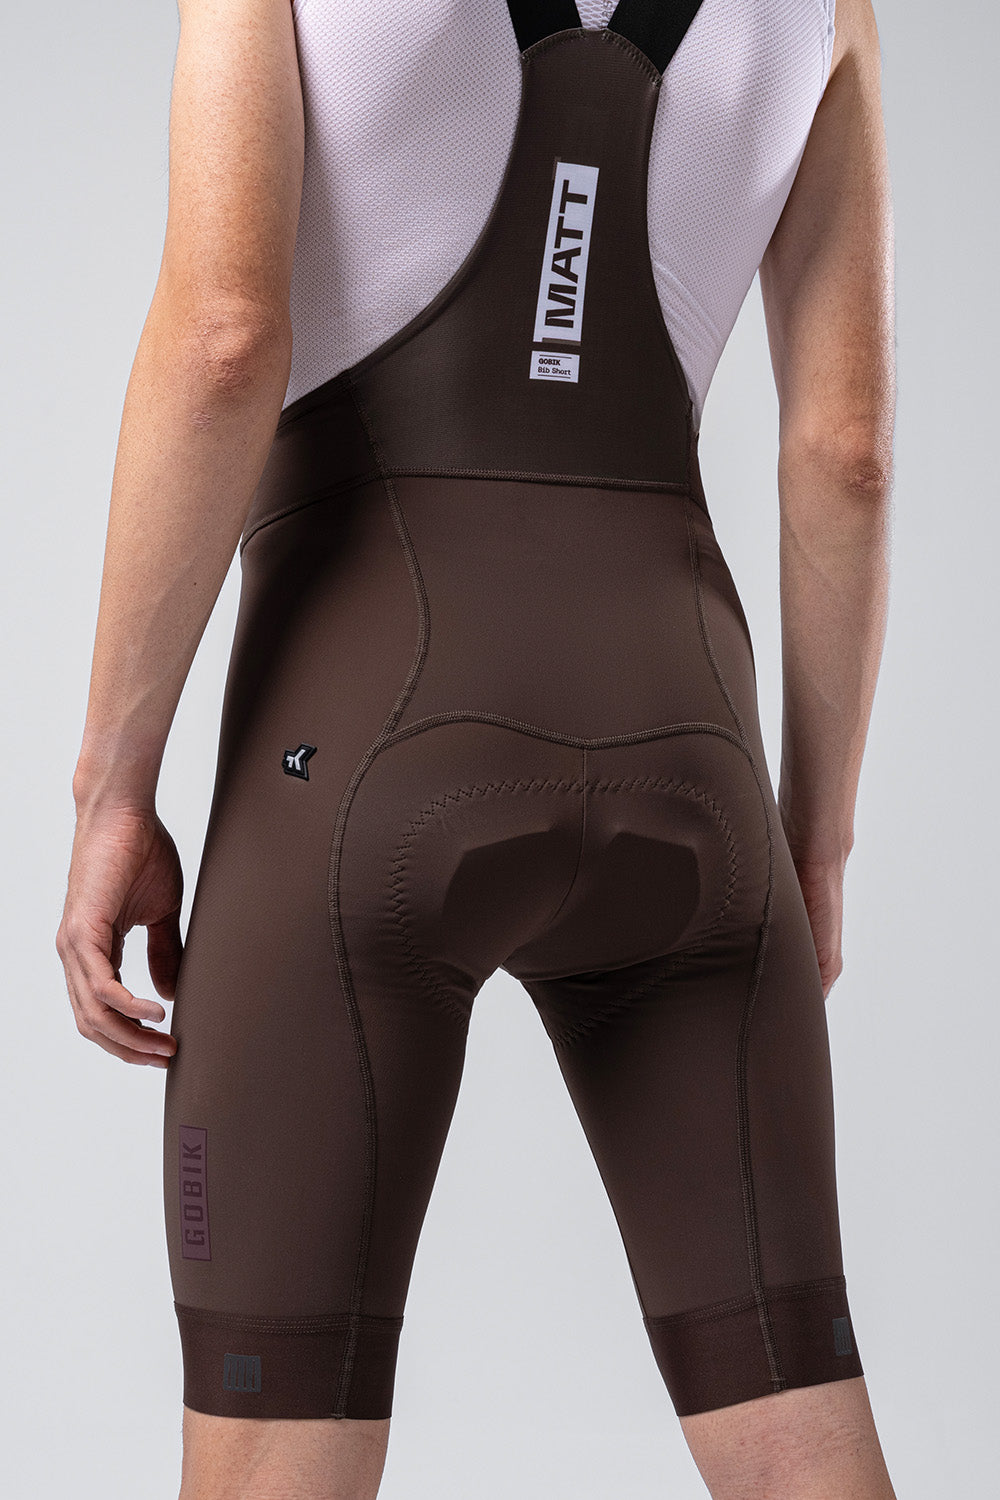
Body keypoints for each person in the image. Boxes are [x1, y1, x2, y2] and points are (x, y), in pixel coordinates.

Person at [55, 0, 896, 1494]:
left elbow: (225, 338)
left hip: (358, 745)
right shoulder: (832, 13)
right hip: (692, 745)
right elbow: (847, 451)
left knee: (272, 1450)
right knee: (801, 1444)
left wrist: (114, 785)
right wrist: (814, 838)